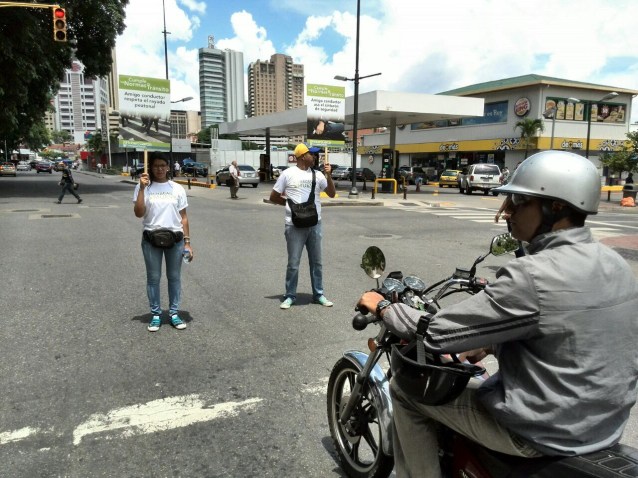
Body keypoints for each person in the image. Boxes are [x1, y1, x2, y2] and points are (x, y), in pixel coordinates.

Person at [357, 150, 638, 478]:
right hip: (604, 425)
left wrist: (384, 306)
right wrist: (492, 345)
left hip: (543, 434)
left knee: (404, 392)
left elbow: (433, 332)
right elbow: (572, 328)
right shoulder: (615, 263)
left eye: (519, 200)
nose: (506, 211)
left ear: (556, 207)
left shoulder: (531, 274)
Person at [269, 143, 336, 309]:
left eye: (314, 155)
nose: (314, 157)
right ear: (301, 156)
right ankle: (290, 295)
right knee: (293, 263)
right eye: (310, 154)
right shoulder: (287, 174)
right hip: (294, 225)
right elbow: (273, 196)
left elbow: (332, 194)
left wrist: (329, 176)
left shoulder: (318, 174)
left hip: (315, 223)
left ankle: (318, 294)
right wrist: (291, 206)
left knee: (317, 262)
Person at [133, 153, 193, 332]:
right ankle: (156, 315)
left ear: (168, 167)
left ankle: (174, 313)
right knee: (153, 278)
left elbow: (183, 217)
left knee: (174, 277)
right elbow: (138, 213)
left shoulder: (177, 188)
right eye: (156, 165)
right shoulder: (143, 187)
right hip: (151, 239)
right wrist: (142, 189)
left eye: (163, 165)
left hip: (175, 240)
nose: (159, 169)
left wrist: (187, 243)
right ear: (150, 168)